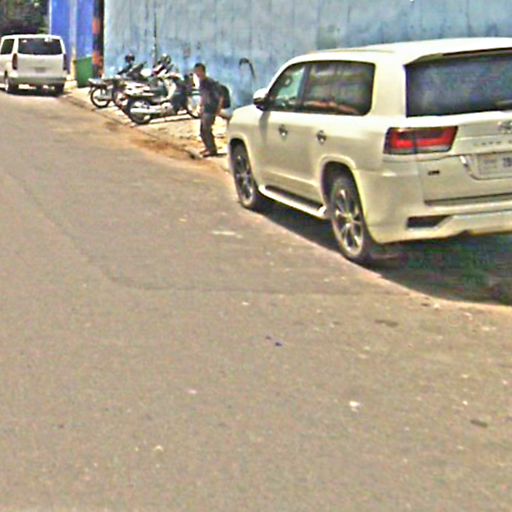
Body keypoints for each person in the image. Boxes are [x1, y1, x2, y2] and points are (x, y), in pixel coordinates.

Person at [193, 62, 223, 157]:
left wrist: (218, 108)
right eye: (196, 71)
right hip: (206, 108)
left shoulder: (210, 82)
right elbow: (203, 96)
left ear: (203, 71)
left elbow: (220, 96)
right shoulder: (201, 83)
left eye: (198, 71)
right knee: (202, 131)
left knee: (207, 129)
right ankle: (208, 147)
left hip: (211, 108)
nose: (197, 73)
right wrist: (200, 106)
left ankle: (212, 150)